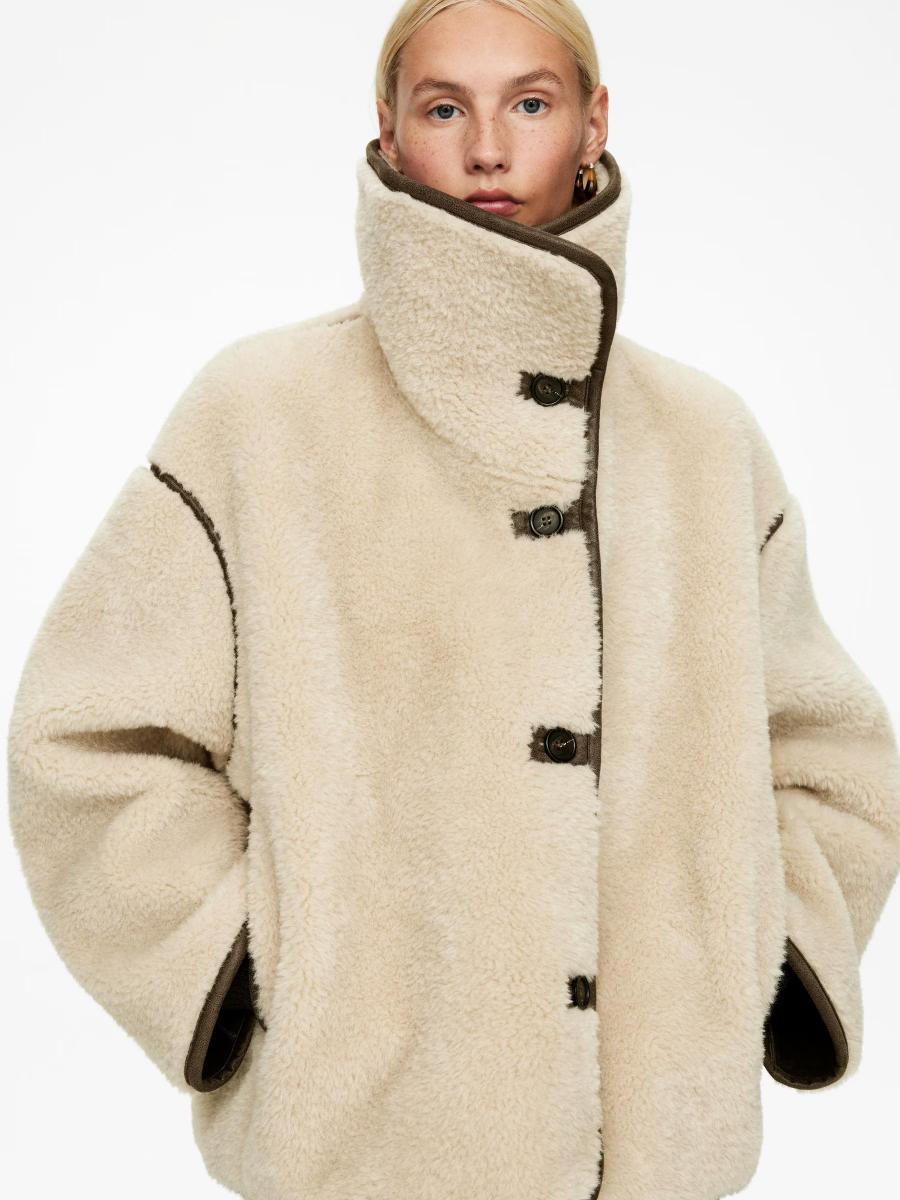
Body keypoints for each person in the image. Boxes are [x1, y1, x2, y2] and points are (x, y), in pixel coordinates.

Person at [8, 2, 900, 1198]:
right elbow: (85, 740)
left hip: (656, 1153)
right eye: (444, 107)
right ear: (388, 131)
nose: (488, 148)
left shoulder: (704, 442)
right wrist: (244, 972)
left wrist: (759, 958)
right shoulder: (259, 416)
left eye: (530, 102)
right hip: (358, 1151)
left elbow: (831, 755)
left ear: (593, 123)